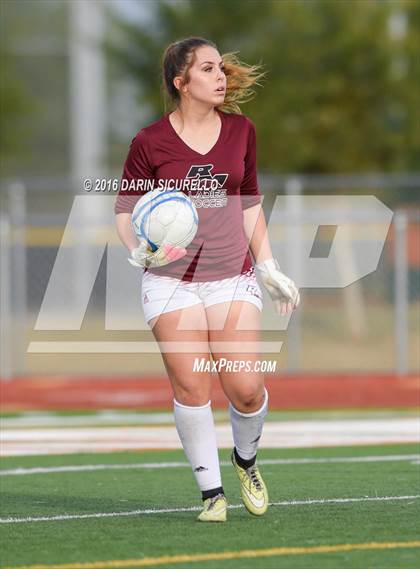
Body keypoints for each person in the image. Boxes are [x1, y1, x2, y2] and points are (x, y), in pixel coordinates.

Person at [115, 37, 300, 522]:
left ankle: (246, 462)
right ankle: (211, 494)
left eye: (221, 68)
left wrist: (270, 264)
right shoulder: (149, 141)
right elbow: (124, 210)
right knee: (192, 386)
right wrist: (138, 249)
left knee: (245, 387)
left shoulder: (241, 131)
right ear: (181, 82)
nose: (221, 76)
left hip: (230, 276)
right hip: (169, 280)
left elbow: (250, 203)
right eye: (207, 69)